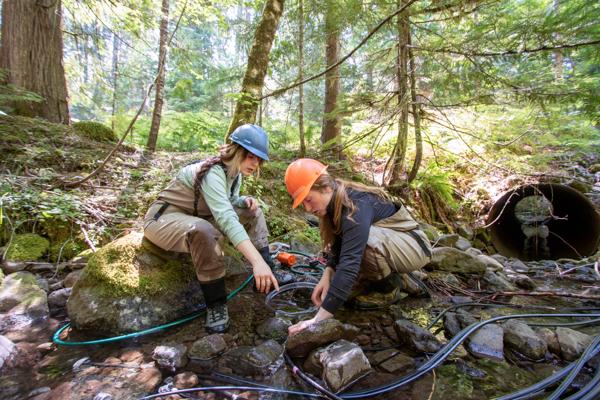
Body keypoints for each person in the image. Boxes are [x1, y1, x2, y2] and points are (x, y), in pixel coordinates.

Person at [143, 124, 291, 334]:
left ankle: (267, 273)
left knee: (253, 211)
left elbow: (227, 201)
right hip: (163, 220)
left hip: (197, 216)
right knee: (204, 231)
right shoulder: (213, 172)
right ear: (237, 151)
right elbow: (225, 218)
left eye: (259, 159)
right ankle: (216, 305)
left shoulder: (234, 174)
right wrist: (254, 262)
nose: (255, 163)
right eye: (251, 156)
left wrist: (242, 200)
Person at [284, 158, 432, 335]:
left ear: (325, 187)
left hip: (415, 247)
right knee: (343, 286)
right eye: (303, 204)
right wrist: (327, 274)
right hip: (395, 244)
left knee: (364, 243)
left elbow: (349, 262)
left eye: (308, 199)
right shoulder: (335, 202)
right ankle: (391, 276)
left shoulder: (355, 207)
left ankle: (390, 286)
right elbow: (338, 242)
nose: (307, 209)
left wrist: (317, 320)